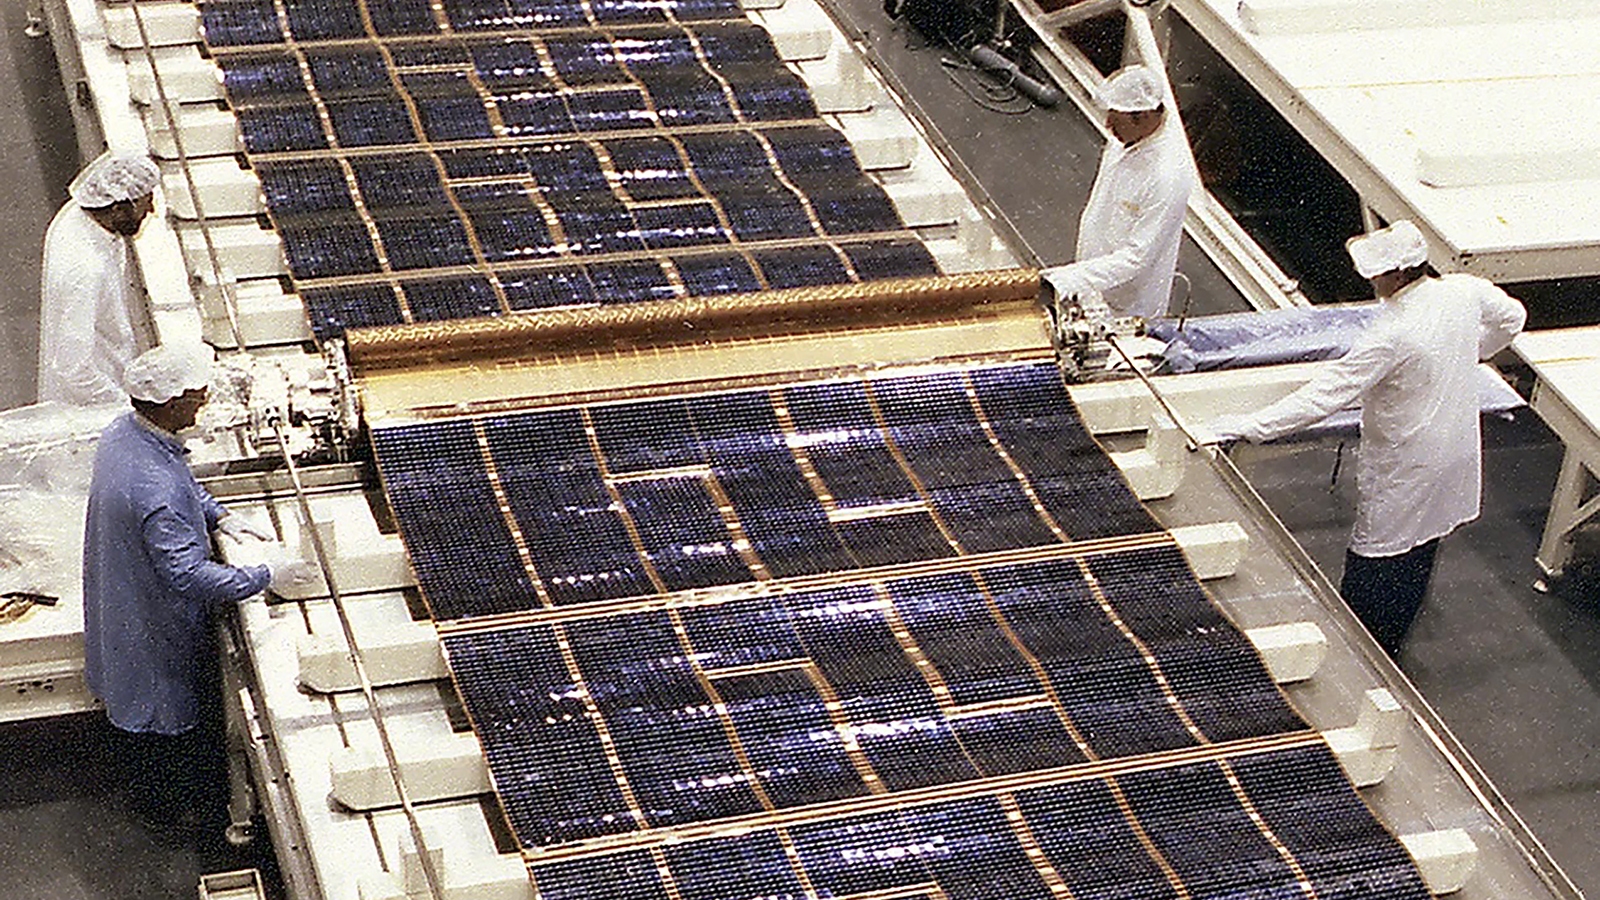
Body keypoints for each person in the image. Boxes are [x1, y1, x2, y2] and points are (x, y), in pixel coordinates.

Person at [1205, 220, 1526, 657]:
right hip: (1453, 451)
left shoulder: (1392, 333)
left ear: (1396, 274)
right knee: (1421, 546)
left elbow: (1324, 397)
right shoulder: (1463, 290)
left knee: (1377, 559)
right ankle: (1393, 637)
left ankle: (1362, 653)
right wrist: (1470, 352)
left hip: (1406, 463)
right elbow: (1514, 317)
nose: (1371, 279)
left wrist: (1242, 426)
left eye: (1375, 272)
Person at [82, 342, 312, 841]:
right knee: (162, 722)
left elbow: (180, 477)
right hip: (151, 622)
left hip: (121, 597)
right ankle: (166, 813)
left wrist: (219, 513)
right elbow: (187, 576)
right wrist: (265, 575)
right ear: (170, 403)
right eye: (196, 392)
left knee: (141, 702)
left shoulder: (125, 435)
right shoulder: (155, 492)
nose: (205, 398)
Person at [1042, 64, 1198, 321]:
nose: (1107, 125)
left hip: (1128, 308)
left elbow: (1137, 258)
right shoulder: (1123, 140)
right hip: (1091, 283)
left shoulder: (1168, 175)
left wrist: (1070, 278)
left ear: (1142, 116)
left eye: (1116, 118)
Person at [38, 151, 162, 406]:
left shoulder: (83, 217)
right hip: (91, 405)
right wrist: (125, 409)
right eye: (144, 202)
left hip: (112, 369)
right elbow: (73, 370)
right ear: (117, 207)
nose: (151, 209)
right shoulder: (85, 269)